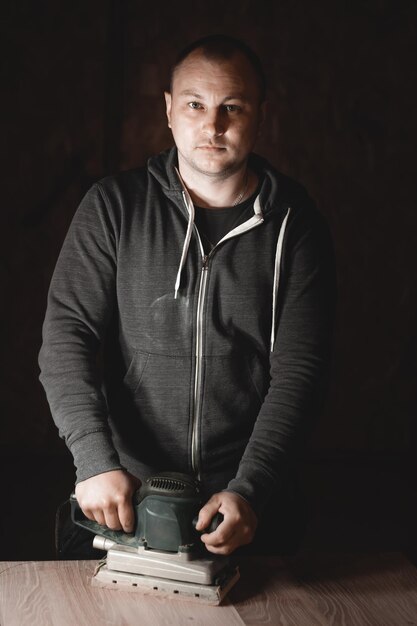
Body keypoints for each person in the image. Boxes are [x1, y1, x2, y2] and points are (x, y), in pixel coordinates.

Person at [39, 34, 336, 557]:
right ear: (171, 110)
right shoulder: (113, 207)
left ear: (260, 115)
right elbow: (67, 339)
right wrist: (94, 461)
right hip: (124, 497)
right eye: (196, 104)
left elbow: (301, 370)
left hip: (246, 505)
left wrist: (251, 488)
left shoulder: (297, 223)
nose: (213, 125)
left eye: (232, 107)